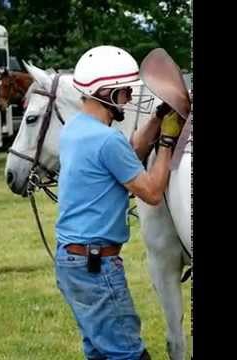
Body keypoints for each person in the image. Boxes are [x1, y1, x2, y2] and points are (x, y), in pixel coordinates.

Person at [55, 45, 182, 360]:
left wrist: (157, 116)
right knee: (128, 354)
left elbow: (129, 155)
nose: (129, 97)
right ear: (106, 94)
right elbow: (151, 192)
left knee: (99, 352)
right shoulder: (106, 140)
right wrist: (166, 141)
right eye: (125, 91)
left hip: (71, 263)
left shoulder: (76, 131)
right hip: (95, 266)